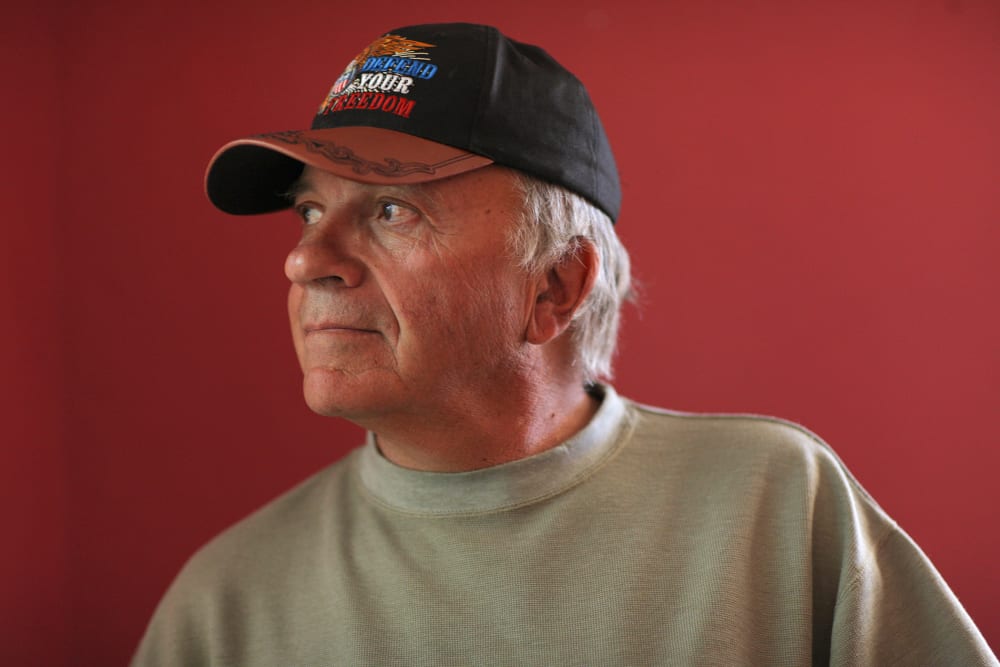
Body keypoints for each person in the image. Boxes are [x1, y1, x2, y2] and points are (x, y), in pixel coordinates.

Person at [132, 23, 997, 666]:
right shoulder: (226, 600)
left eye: (392, 209)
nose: (304, 259)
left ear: (556, 285)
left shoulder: (771, 507)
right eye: (310, 210)